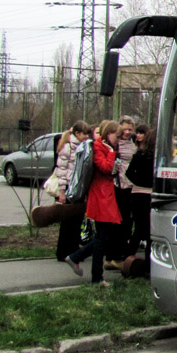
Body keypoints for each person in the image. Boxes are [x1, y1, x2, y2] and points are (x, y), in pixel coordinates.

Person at [64, 120, 122, 287]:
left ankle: (77, 258)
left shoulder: (105, 147)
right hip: (100, 196)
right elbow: (104, 167)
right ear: (108, 134)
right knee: (102, 237)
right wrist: (111, 153)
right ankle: (96, 276)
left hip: (106, 195)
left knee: (103, 237)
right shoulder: (99, 147)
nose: (117, 139)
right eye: (116, 136)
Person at [52, 120, 92, 261]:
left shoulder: (82, 146)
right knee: (67, 221)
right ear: (77, 133)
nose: (86, 136)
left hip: (78, 188)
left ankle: (73, 251)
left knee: (76, 221)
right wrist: (62, 191)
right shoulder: (68, 147)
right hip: (69, 187)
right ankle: (63, 252)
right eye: (84, 133)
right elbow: (61, 170)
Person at [106, 115, 136, 270]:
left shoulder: (133, 142)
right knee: (117, 221)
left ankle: (122, 252)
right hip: (118, 184)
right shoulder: (116, 144)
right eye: (124, 129)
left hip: (130, 184)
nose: (127, 132)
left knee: (127, 221)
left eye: (130, 129)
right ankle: (112, 255)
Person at [125, 125, 155, 263]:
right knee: (149, 231)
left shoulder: (139, 155)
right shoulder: (157, 159)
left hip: (137, 193)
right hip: (150, 194)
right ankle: (149, 262)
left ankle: (128, 256)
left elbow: (129, 173)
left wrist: (138, 182)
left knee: (138, 228)